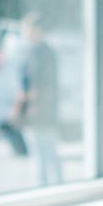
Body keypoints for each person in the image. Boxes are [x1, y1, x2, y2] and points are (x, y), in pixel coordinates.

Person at [9, 14, 62, 186]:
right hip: (37, 110)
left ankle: (47, 186)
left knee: (44, 151)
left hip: (40, 110)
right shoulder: (32, 51)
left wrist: (27, 97)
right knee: (43, 151)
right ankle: (47, 185)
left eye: (27, 29)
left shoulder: (42, 54)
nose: (25, 33)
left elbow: (42, 84)